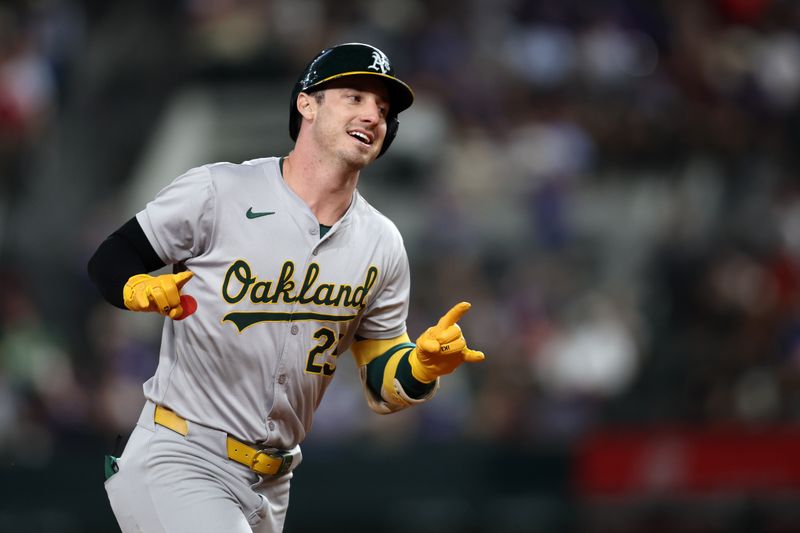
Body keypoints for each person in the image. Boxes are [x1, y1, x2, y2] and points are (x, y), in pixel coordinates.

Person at [87, 42, 485, 533]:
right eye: (355, 96)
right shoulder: (221, 191)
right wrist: (136, 288)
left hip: (273, 483)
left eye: (383, 108)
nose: (373, 114)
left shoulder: (381, 242)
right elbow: (112, 258)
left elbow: (383, 383)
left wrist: (421, 367)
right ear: (307, 104)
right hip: (183, 454)